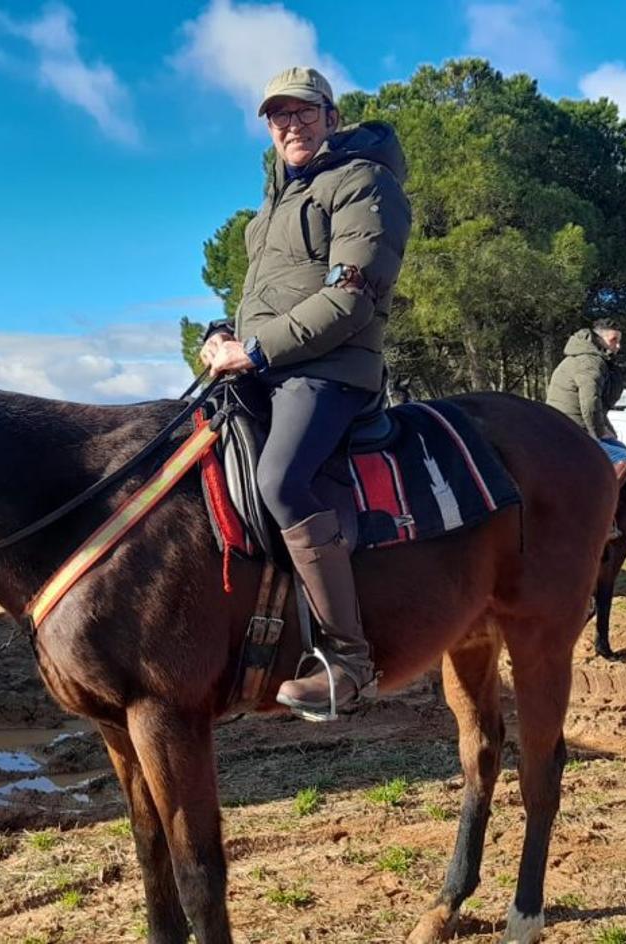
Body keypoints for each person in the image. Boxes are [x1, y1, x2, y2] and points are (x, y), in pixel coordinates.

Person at [200, 66, 412, 718]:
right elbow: (265, 301)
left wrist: (257, 350)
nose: (290, 124)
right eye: (277, 115)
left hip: (331, 370)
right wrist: (222, 334)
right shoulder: (266, 214)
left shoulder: (363, 183)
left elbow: (351, 297)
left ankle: (349, 660)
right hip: (267, 367)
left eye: (303, 112)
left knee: (282, 481)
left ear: (330, 114)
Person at [546, 318, 626, 484]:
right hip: (572, 429)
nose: (618, 346)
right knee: (625, 458)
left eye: (619, 341)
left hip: (564, 425)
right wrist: (599, 433)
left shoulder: (583, 358)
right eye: (613, 340)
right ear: (599, 339)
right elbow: (590, 402)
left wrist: (609, 432)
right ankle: (605, 502)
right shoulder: (590, 362)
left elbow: (598, 406)